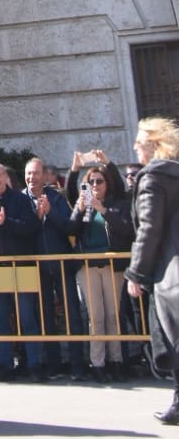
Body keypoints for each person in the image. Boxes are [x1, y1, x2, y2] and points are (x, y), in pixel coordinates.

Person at [126, 116, 179, 424]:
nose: (135, 148)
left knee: (172, 337)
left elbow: (149, 228)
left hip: (169, 271)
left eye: (139, 143)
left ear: (154, 145)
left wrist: (136, 273)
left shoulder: (153, 178)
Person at [0, 160, 48, 382]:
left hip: (21, 265)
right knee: (0, 320)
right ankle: (5, 364)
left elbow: (32, 228)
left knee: (27, 318)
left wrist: (7, 223)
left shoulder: (21, 200)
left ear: (6, 177)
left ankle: (34, 364)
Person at [70, 159, 134, 380]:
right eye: (91, 182)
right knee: (95, 317)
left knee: (113, 315)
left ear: (107, 183)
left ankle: (117, 361)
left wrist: (102, 209)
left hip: (112, 266)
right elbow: (70, 229)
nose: (95, 185)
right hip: (88, 267)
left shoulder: (118, 204)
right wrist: (80, 209)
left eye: (99, 181)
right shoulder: (84, 206)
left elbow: (125, 229)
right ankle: (98, 363)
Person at [24, 155, 86, 379]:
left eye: (36, 173)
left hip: (61, 265)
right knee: (45, 316)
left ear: (44, 176)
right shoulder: (20, 199)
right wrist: (37, 217)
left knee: (72, 315)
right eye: (28, 173)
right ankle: (53, 363)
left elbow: (69, 226)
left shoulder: (56, 198)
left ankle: (78, 364)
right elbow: (21, 231)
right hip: (37, 267)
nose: (32, 177)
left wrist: (50, 213)